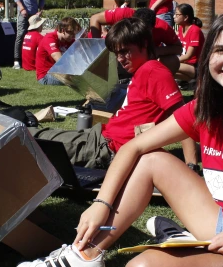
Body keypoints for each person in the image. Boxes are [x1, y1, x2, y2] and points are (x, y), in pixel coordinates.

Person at [16, 12, 223, 267]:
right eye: (220, 50)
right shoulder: (206, 106)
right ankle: (86, 255)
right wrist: (100, 203)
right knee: (151, 160)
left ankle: (191, 243)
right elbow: (136, 146)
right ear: (207, 57)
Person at [28, 17, 187, 170]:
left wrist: (191, 164)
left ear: (144, 44)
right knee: (41, 136)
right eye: (117, 54)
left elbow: (183, 119)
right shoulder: (143, 71)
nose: (120, 59)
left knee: (34, 140)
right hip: (101, 137)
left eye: (124, 52)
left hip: (105, 148)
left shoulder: (154, 72)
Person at [89, 7, 182, 74]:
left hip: (144, 61)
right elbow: (95, 18)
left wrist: (156, 51)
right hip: (117, 59)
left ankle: (156, 84)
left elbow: (178, 48)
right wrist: (98, 48)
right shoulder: (123, 13)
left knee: (172, 61)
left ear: (152, 28)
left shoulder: (163, 27)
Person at [12, 0, 45, 70]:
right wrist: (22, 9)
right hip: (23, 12)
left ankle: (31, 59)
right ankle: (17, 60)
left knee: (34, 37)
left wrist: (40, 10)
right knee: (20, 35)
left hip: (34, 13)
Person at [35, 17, 80, 85]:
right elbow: (60, 60)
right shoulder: (49, 38)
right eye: (71, 33)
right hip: (46, 76)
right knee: (78, 80)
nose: (73, 36)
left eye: (75, 33)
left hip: (59, 72)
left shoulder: (68, 40)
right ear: (63, 30)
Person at [173, 3, 204, 83]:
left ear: (186, 17)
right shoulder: (180, 28)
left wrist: (172, 61)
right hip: (186, 64)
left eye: (177, 14)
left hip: (196, 66)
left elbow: (188, 55)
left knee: (168, 65)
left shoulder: (195, 30)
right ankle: (192, 83)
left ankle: (196, 80)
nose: (174, 17)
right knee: (166, 69)